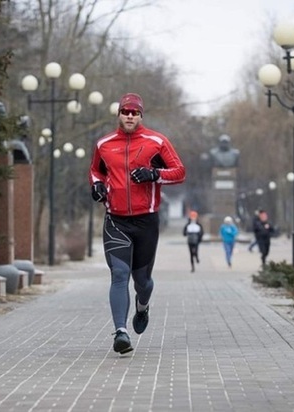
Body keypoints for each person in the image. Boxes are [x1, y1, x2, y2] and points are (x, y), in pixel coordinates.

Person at [89, 92, 186, 354]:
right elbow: (96, 170)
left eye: (134, 112)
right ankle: (121, 332)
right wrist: (97, 186)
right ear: (118, 114)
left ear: (141, 115)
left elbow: (179, 172)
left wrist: (153, 174)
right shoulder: (104, 144)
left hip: (146, 221)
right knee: (119, 274)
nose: (129, 116)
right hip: (116, 220)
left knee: (142, 281)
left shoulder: (157, 141)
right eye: (125, 112)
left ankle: (142, 306)